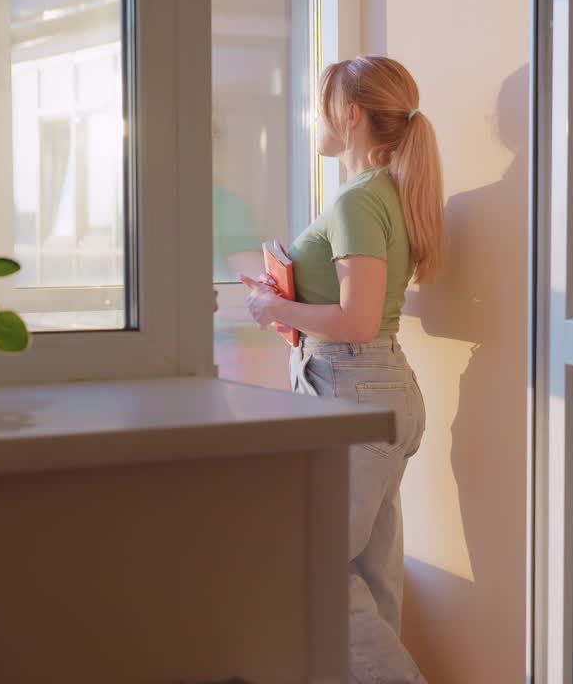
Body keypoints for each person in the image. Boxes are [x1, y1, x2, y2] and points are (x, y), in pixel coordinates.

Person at [240, 55, 443, 684]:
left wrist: (275, 307)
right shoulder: (386, 193)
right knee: (371, 577)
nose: (313, 118)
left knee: (315, 568)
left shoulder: (359, 201)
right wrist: (290, 299)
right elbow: (362, 311)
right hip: (375, 385)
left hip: (352, 385)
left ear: (350, 115)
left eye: (319, 105)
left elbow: (356, 321)